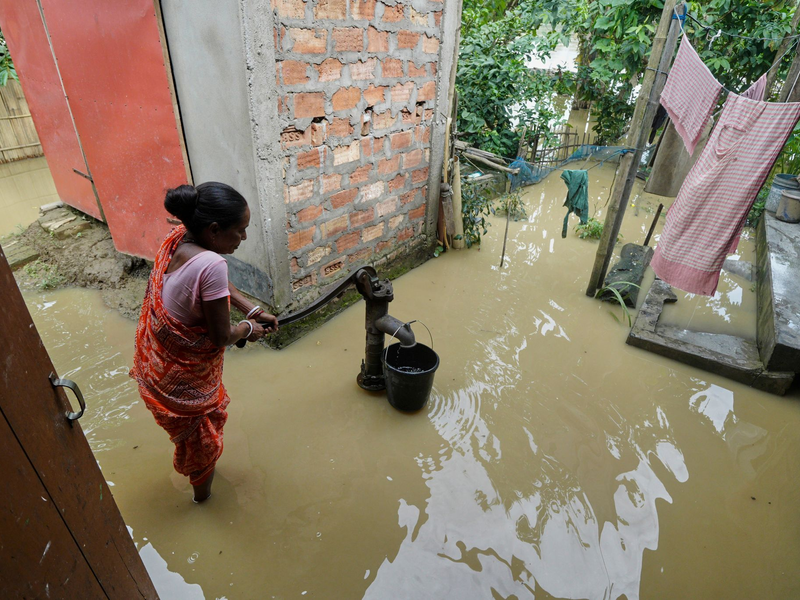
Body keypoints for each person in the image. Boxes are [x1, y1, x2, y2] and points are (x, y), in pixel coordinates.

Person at [130, 182, 278, 503]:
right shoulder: (212, 264)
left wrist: (251, 308)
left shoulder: (179, 239)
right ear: (213, 230)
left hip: (153, 368)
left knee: (193, 443)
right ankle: (202, 502)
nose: (245, 238)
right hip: (180, 390)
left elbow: (212, 283)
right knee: (203, 449)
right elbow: (221, 337)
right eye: (240, 231)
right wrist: (248, 329)